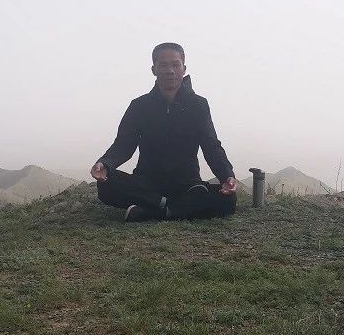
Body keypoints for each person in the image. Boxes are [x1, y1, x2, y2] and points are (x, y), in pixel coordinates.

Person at [91, 42, 237, 222]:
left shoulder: (198, 105)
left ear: (184, 69)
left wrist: (226, 175)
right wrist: (105, 164)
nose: (170, 71)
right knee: (106, 184)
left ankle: (154, 211)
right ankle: (175, 207)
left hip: (187, 184)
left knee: (228, 199)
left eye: (175, 64)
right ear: (154, 69)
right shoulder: (139, 106)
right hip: (147, 183)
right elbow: (123, 145)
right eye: (163, 65)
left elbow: (211, 146)